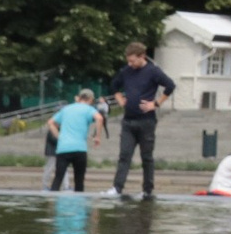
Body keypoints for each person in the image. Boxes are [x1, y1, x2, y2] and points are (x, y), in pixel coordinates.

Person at [105, 40, 175, 197]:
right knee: (124, 155)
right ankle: (117, 188)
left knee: (147, 157)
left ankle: (147, 190)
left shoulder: (153, 71)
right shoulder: (127, 71)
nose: (130, 64)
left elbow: (170, 85)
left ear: (142, 56)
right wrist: (120, 99)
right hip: (128, 121)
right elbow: (114, 85)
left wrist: (156, 103)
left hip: (146, 121)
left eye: (133, 60)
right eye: (128, 61)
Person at [46, 88, 102, 192]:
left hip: (63, 148)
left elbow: (50, 123)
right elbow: (99, 118)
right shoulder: (89, 109)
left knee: (58, 179)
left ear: (79, 97)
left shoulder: (66, 109)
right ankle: (79, 206)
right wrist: (97, 137)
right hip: (79, 149)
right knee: (79, 181)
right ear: (90, 99)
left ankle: (52, 201)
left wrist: (59, 137)